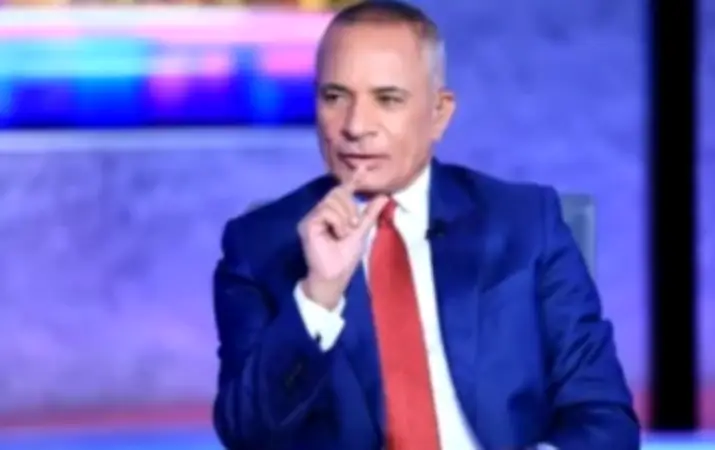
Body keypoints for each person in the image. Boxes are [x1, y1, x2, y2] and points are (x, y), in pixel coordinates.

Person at [212, 1, 640, 449]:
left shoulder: (526, 223)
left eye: (387, 99)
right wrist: (319, 296)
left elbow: (604, 418)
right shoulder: (258, 247)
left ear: (439, 112)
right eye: (335, 97)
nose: (356, 126)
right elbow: (247, 435)